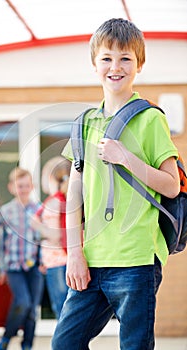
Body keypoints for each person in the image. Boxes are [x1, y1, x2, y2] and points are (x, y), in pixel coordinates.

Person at [52, 18, 180, 350]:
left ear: (139, 64)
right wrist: (74, 253)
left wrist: (126, 158)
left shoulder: (151, 119)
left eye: (125, 58)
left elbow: (171, 186)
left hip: (136, 260)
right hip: (91, 260)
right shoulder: (84, 123)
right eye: (107, 58)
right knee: (65, 343)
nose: (115, 67)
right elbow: (74, 193)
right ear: (95, 64)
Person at [0, 167, 44, 350]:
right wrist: (1, 268)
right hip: (13, 266)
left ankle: (27, 344)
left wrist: (44, 262)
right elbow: (1, 242)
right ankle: (7, 337)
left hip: (34, 266)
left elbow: (43, 238)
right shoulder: (6, 211)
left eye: (26, 186)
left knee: (32, 309)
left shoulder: (39, 210)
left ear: (32, 186)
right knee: (22, 302)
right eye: (19, 186)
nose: (23, 189)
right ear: (11, 187)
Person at [32, 156, 71, 319]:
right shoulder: (62, 200)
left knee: (61, 307)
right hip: (57, 260)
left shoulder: (55, 202)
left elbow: (57, 235)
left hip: (57, 261)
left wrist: (35, 225)